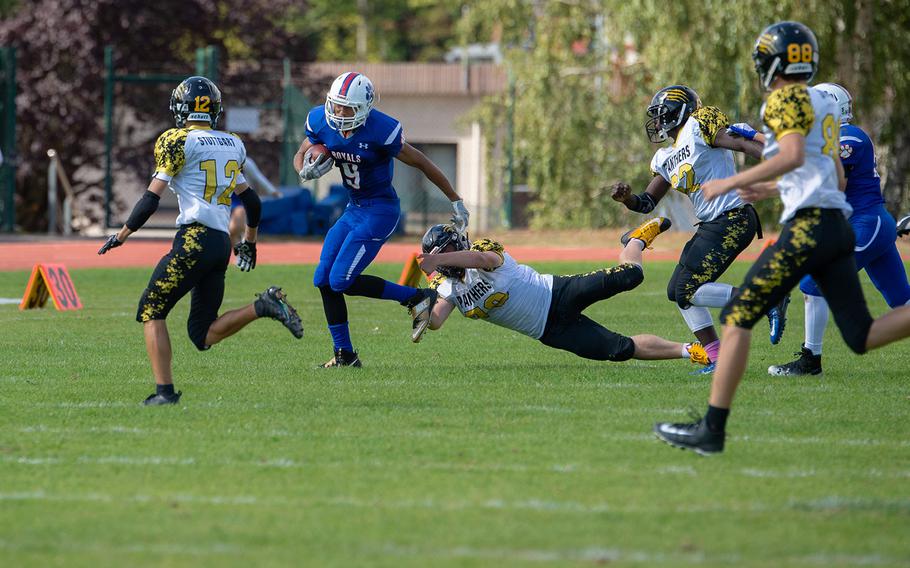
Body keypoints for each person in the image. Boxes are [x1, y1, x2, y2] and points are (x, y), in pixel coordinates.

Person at [654, 21, 910, 454]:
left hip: (809, 227)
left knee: (737, 316)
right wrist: (770, 188)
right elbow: (833, 173)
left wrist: (733, 184)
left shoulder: (784, 99)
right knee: (862, 335)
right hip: (835, 225)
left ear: (770, 63)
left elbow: (790, 156)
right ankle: (711, 430)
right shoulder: (826, 107)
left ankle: (711, 431)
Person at [98, 76, 304, 406]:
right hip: (221, 244)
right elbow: (251, 201)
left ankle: (164, 393)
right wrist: (249, 241)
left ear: (181, 109)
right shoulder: (231, 144)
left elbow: (151, 199)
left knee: (152, 309)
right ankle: (262, 305)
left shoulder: (176, 140)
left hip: (194, 239)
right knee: (202, 333)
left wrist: (122, 234)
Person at [293, 71, 468, 367]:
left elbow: (422, 163)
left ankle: (416, 297)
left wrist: (455, 199)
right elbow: (302, 151)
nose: (338, 113)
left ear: (362, 109)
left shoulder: (380, 130)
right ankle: (345, 355)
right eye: (335, 105)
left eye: (346, 108)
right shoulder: (320, 120)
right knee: (323, 279)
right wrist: (303, 169)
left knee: (340, 280)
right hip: (354, 209)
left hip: (380, 210)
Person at [611, 85, 784, 375]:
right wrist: (626, 197)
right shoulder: (666, 156)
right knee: (676, 291)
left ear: (680, 111)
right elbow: (646, 202)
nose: (657, 122)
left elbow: (740, 145)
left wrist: (777, 160)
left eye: (661, 114)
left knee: (686, 288)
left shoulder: (699, 123)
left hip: (733, 217)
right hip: (712, 223)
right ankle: (717, 357)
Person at [417, 217, 711, 367]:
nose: (445, 258)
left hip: (557, 292)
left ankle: (635, 241)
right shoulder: (445, 286)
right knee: (618, 349)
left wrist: (438, 259)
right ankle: (691, 351)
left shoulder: (481, 249)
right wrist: (420, 309)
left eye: (448, 250)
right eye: (440, 255)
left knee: (631, 275)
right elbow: (436, 321)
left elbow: (482, 261)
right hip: (550, 331)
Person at [765, 82, 910, 375]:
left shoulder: (849, 137)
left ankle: (810, 361)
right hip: (870, 224)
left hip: (866, 223)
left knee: (814, 282)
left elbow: (832, 181)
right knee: (902, 302)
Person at [228, 156, 282, 246]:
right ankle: (240, 255)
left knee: (236, 228)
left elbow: (258, 177)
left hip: (240, 199)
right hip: (224, 199)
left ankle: (245, 252)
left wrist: (273, 191)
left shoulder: (245, 161)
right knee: (230, 233)